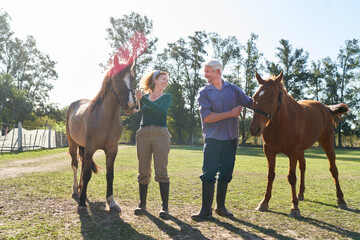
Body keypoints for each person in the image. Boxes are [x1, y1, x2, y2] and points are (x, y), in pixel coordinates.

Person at [191, 60, 253, 220]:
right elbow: (206, 117)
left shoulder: (233, 90)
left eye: (208, 71)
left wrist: (268, 96)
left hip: (231, 138)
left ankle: (220, 207)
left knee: (226, 172)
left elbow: (250, 102)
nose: (205, 75)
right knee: (209, 173)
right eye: (205, 71)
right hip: (213, 139)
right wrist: (230, 114)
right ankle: (205, 210)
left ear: (218, 71)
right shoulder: (204, 92)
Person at [134, 70, 172, 219]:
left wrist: (142, 99)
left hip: (161, 134)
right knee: (143, 168)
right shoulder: (145, 97)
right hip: (143, 133)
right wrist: (140, 98)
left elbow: (159, 111)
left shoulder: (166, 97)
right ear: (155, 79)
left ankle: (165, 207)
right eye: (163, 79)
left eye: (167, 80)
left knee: (161, 168)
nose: (166, 82)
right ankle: (142, 204)